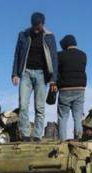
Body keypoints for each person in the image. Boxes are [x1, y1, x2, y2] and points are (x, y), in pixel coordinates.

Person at [12, 12, 58, 142]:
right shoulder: (23, 35)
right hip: (26, 73)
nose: (36, 29)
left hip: (42, 75)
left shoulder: (49, 37)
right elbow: (17, 55)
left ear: (43, 24)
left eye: (38, 26)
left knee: (39, 107)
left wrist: (53, 79)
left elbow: (54, 58)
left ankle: (37, 135)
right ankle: (25, 134)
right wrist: (15, 73)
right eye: (34, 26)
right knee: (23, 105)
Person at [56, 34, 87, 140]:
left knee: (62, 117)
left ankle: (62, 142)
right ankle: (78, 140)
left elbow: (57, 72)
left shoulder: (60, 55)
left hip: (65, 89)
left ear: (66, 44)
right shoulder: (83, 55)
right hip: (80, 89)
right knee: (77, 117)